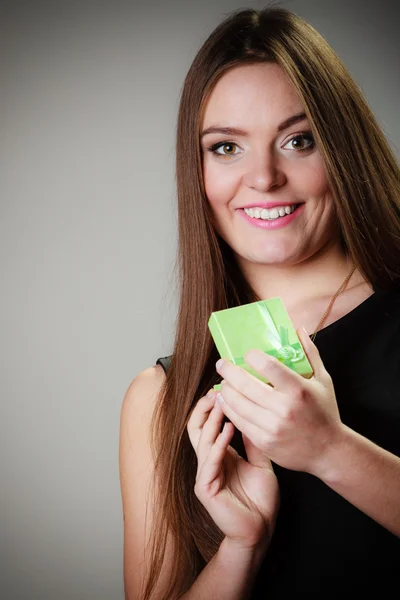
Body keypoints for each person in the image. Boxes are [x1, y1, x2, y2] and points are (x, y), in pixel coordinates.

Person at [119, 6, 400, 599]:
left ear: (343, 151)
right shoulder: (161, 397)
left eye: (299, 141)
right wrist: (241, 547)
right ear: (195, 171)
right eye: (226, 148)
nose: (264, 177)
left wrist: (331, 451)